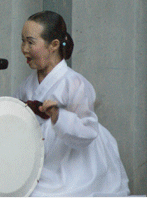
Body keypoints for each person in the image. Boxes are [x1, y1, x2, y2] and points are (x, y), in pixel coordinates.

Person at [14, 10, 130, 196]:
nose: (24, 49)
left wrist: (59, 117)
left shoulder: (75, 83)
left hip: (72, 162)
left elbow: (88, 130)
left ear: (54, 45)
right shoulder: (26, 85)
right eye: (23, 41)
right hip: (37, 157)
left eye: (30, 42)